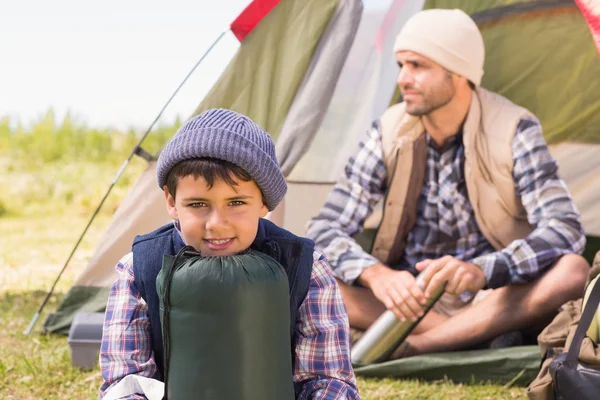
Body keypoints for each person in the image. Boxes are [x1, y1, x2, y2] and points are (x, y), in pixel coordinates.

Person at [306, 8, 590, 358]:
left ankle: (414, 348)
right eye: (401, 65)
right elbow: (323, 227)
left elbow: (565, 229)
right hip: (410, 301)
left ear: (458, 73)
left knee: (573, 272)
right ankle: (472, 337)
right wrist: (375, 274)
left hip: (494, 297)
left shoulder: (515, 128)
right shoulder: (389, 130)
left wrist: (481, 271)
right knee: (304, 276)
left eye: (417, 66)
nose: (403, 79)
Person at [99, 109, 360, 399]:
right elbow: (125, 383)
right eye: (198, 204)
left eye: (236, 202)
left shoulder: (305, 268)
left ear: (264, 203)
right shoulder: (139, 269)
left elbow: (329, 380)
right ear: (172, 202)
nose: (216, 224)